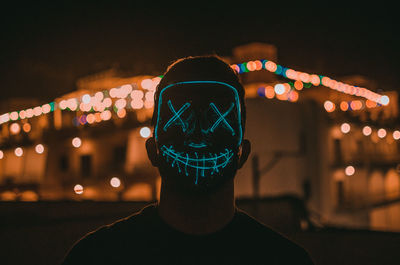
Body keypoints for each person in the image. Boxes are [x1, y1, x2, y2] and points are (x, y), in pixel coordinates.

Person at [61, 55, 315, 265]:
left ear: (243, 153)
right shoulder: (93, 258)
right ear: (152, 150)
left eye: (217, 121)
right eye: (180, 121)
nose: (198, 138)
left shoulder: (98, 254)